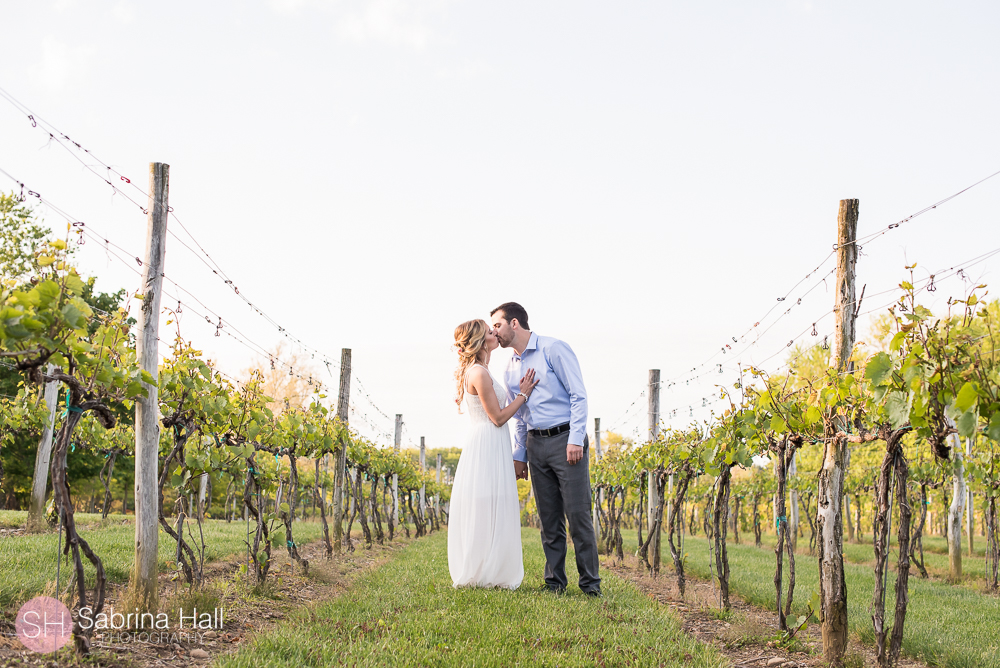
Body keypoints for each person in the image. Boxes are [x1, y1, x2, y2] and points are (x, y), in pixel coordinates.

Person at [491, 302, 601, 596]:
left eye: (497, 326)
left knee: (578, 517)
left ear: (514, 323)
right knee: (549, 519)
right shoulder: (510, 368)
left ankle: (590, 585)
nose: (494, 333)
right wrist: (520, 455)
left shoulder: (554, 349)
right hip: (535, 445)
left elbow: (578, 395)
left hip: (566, 441)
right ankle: (555, 583)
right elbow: (520, 417)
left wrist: (576, 438)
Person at [447, 318, 538, 589]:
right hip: (487, 441)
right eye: (490, 331)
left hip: (492, 441)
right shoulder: (479, 373)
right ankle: (482, 571)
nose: (495, 334)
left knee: (491, 504)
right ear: (479, 341)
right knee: (486, 505)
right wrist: (523, 395)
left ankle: (492, 568)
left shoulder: (482, 370)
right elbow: (497, 418)